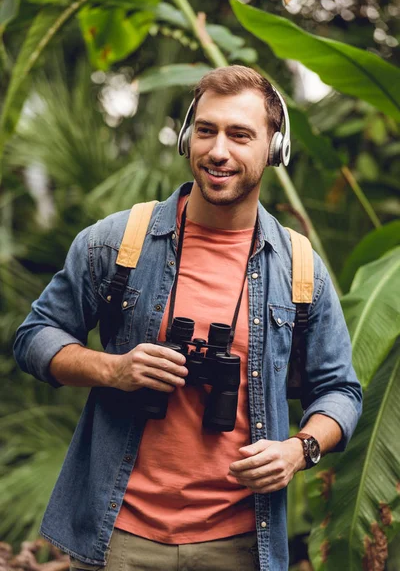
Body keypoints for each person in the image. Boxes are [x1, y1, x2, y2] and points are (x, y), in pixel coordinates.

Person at [14, 65, 362, 571]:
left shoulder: (299, 267)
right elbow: (34, 337)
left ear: (274, 148)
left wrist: (299, 449)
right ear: (186, 138)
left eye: (240, 135)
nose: (219, 150)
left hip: (241, 542)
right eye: (206, 130)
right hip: (119, 536)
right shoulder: (117, 242)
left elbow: (340, 390)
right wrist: (114, 369)